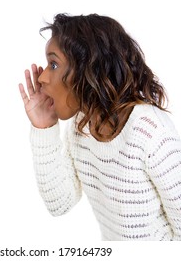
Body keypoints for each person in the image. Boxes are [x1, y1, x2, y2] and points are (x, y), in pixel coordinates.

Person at [18, 13, 181, 241]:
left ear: (90, 69)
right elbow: (60, 203)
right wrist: (45, 128)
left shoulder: (152, 132)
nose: (43, 77)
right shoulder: (80, 126)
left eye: (53, 64)